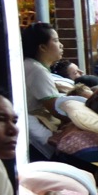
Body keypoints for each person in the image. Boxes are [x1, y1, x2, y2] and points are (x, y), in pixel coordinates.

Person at [22, 22, 68, 157]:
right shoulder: (37, 71)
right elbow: (56, 108)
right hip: (34, 127)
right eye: (56, 40)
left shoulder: (31, 65)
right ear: (42, 47)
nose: (61, 45)